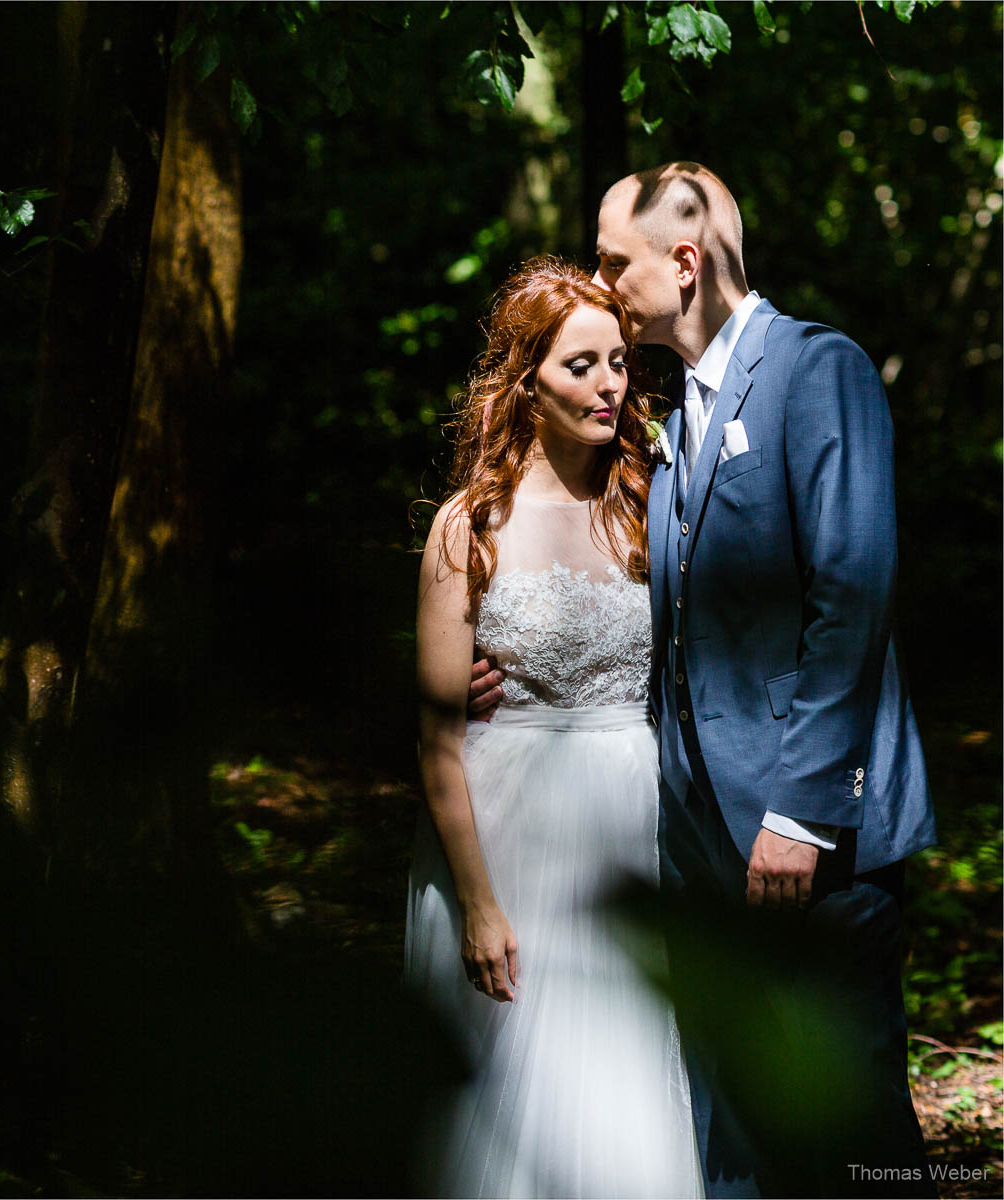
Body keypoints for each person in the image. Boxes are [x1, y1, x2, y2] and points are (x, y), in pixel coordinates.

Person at [472, 163, 937, 1197]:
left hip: (812, 846)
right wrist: (515, 676)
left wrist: (802, 815)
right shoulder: (675, 415)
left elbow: (852, 597)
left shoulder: (820, 371)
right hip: (696, 849)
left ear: (684, 263)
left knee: (855, 1135)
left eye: (611, 258)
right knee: (730, 1141)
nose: (599, 276)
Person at [407, 256, 703, 1198]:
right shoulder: (470, 526)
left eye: (620, 360)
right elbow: (437, 740)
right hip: (509, 827)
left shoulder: (652, 507)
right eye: (582, 364)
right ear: (525, 378)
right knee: (507, 1094)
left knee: (619, 1083)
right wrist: (479, 904)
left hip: (628, 819)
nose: (611, 383)